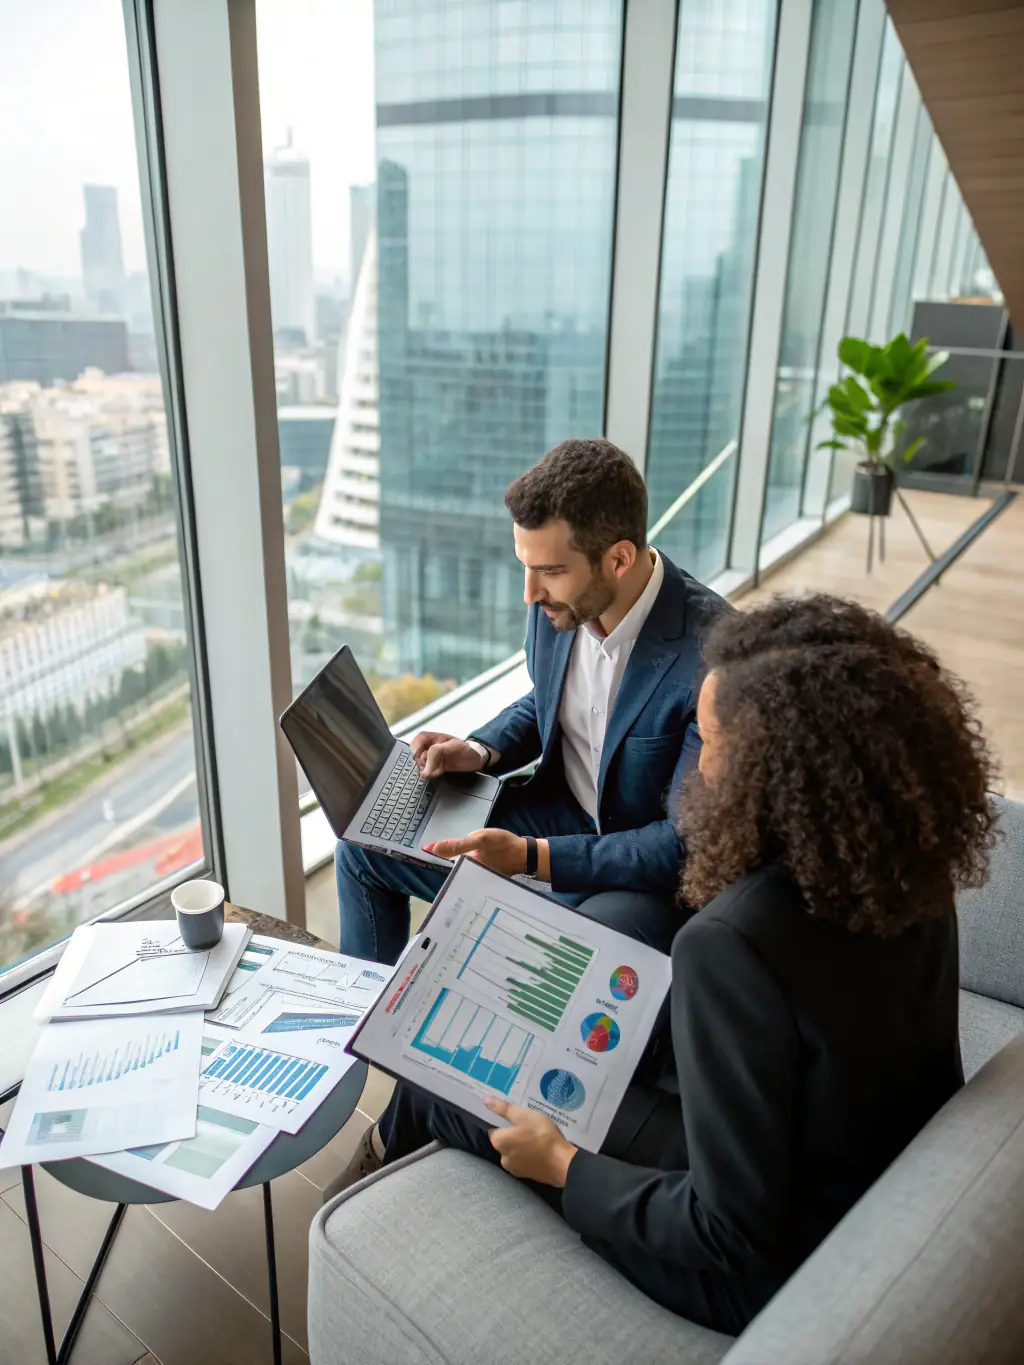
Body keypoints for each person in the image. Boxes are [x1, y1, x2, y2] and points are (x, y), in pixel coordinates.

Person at [331, 594, 996, 1335]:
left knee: (448, 1083)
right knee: (595, 1009)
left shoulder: (729, 943)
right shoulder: (901, 857)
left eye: (709, 744)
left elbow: (728, 1229)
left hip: (768, 1256)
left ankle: (352, 1200)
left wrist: (560, 1163)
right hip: (849, 1146)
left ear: (777, 775)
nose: (694, 774)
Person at [335, 437, 730, 964]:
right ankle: (359, 1035)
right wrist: (477, 750)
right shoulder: (558, 602)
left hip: (639, 875)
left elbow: (680, 845)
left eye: (549, 571)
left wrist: (529, 858)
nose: (530, 593)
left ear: (619, 558)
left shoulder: (715, 658)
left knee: (555, 963)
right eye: (526, 566)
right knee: (362, 848)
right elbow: (553, 700)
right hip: (553, 817)